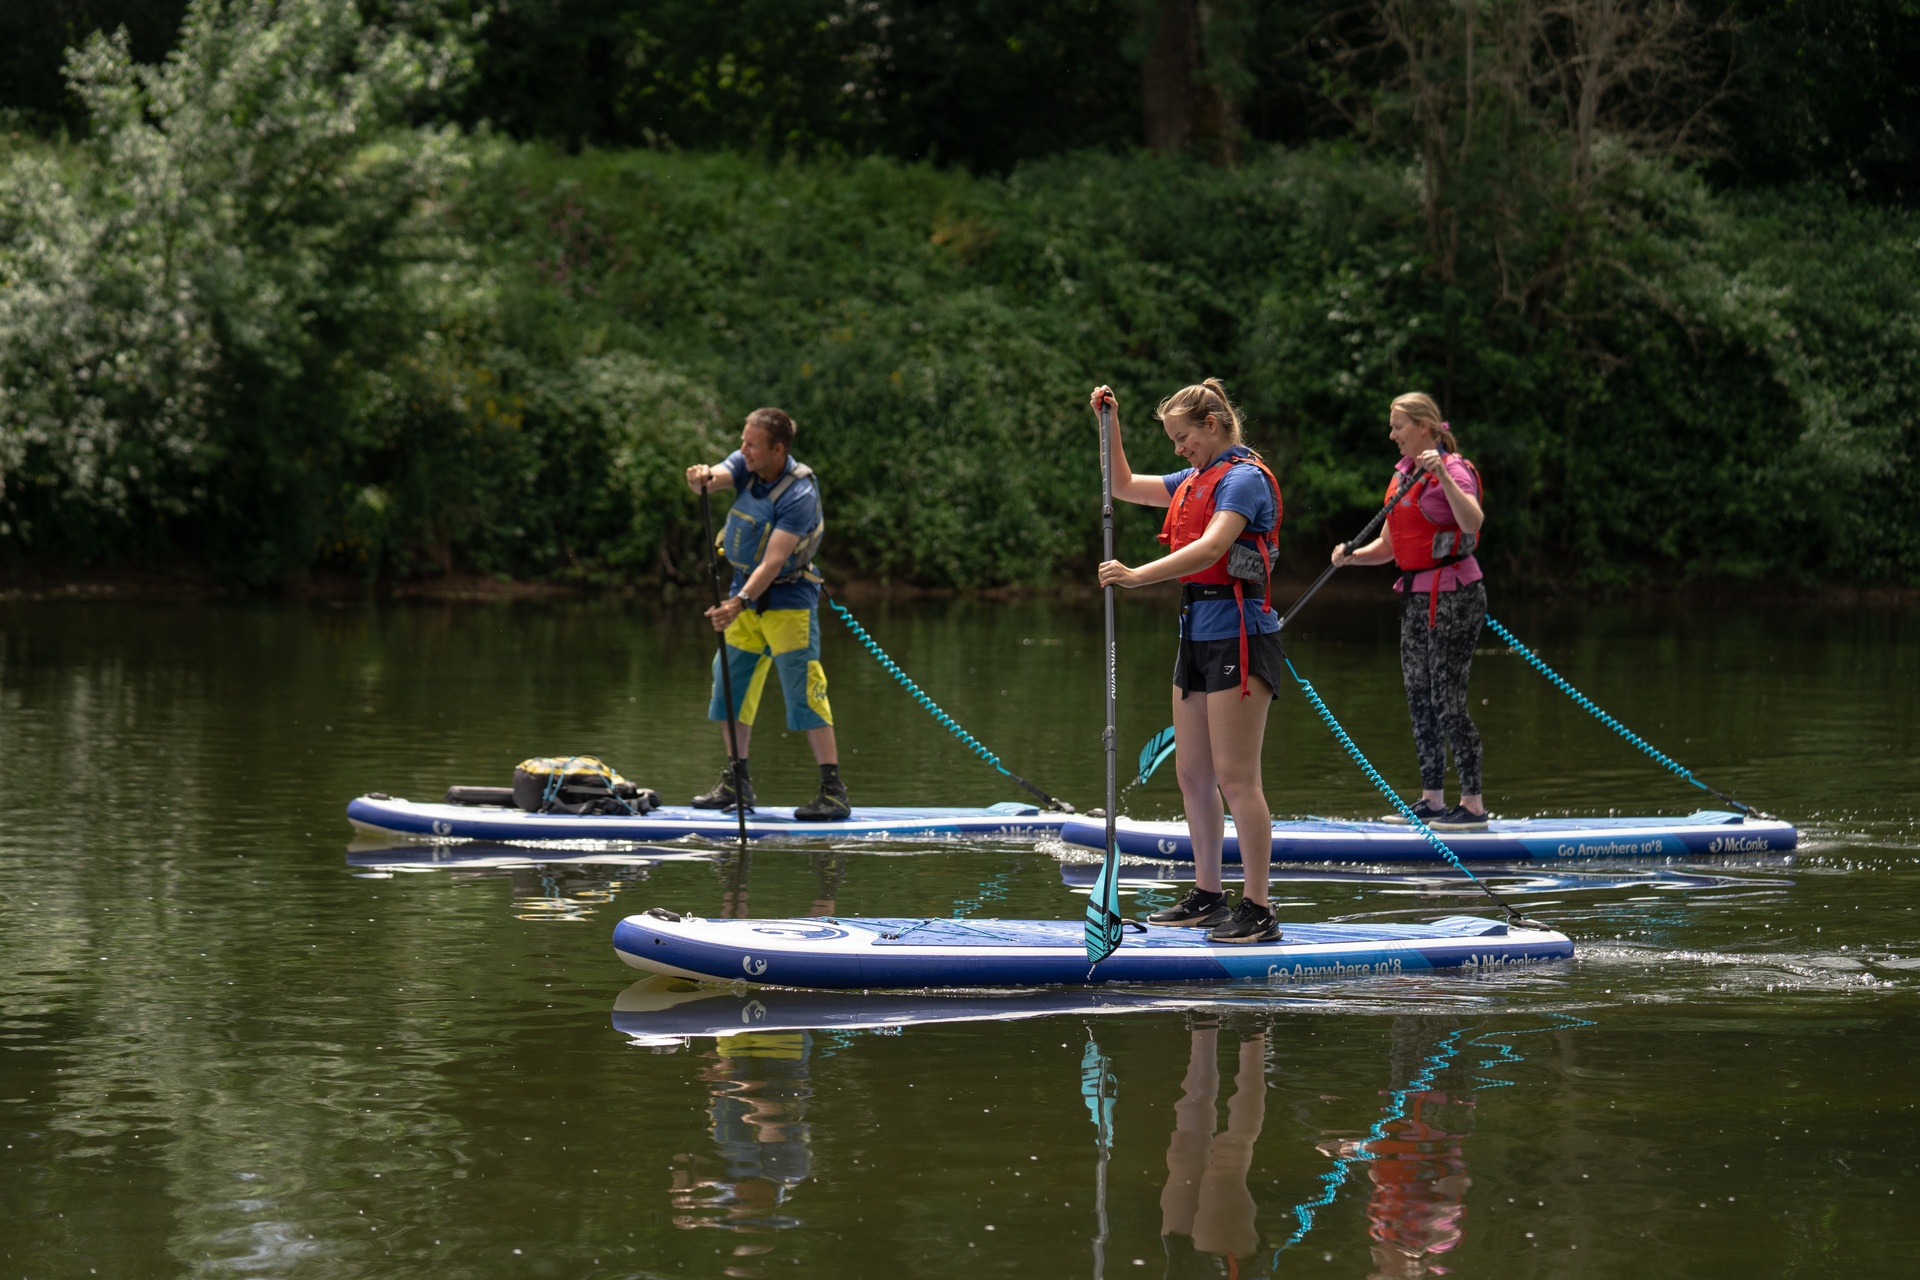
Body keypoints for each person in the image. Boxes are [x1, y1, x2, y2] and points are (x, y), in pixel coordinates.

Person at [1091, 379, 1283, 944]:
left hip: (1240, 635)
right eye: (1172, 439)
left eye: (1183, 437)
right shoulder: (1194, 480)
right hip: (1196, 632)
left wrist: (1135, 575)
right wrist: (1109, 422)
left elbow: (1212, 548)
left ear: (1214, 425)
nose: (1178, 449)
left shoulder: (1243, 479)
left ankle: (1258, 906)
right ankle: (1208, 894)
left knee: (1236, 778)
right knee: (1192, 773)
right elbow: (1121, 484)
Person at [1330, 392, 1488, 829]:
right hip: (1416, 596)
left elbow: (1472, 521)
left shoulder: (1452, 470)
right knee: (1419, 697)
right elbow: (1388, 546)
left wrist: (1442, 474)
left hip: (1456, 593)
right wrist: (1353, 556)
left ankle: (1473, 805)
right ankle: (1432, 799)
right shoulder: (1403, 476)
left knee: (1447, 699)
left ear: (1425, 426)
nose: (1392, 433)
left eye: (1398, 425)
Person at [684, 407, 850, 821]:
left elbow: (774, 561)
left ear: (778, 449)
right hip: (744, 599)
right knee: (728, 686)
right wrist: (702, 478)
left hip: (788, 603)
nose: (743, 450)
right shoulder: (747, 464)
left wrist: (737, 603)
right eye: (743, 441)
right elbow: (719, 475)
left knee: (804, 692)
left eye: (751, 444)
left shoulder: (799, 495)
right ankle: (736, 783)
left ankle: (833, 791)